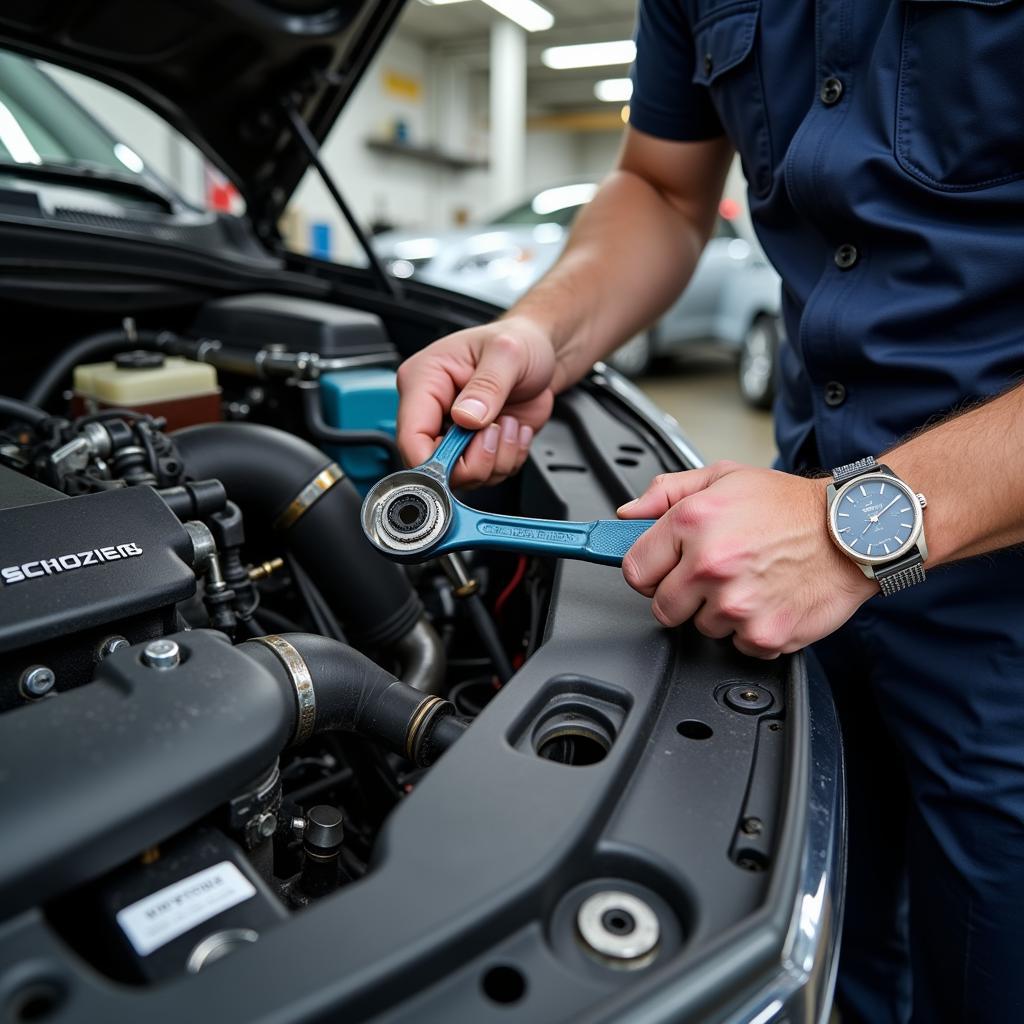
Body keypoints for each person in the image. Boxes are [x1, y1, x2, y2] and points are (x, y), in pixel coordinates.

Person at [395, 2, 1024, 1020]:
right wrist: (536, 333)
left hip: (994, 590)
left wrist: (852, 528)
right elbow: (662, 187)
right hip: (791, 567)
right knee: (832, 951)